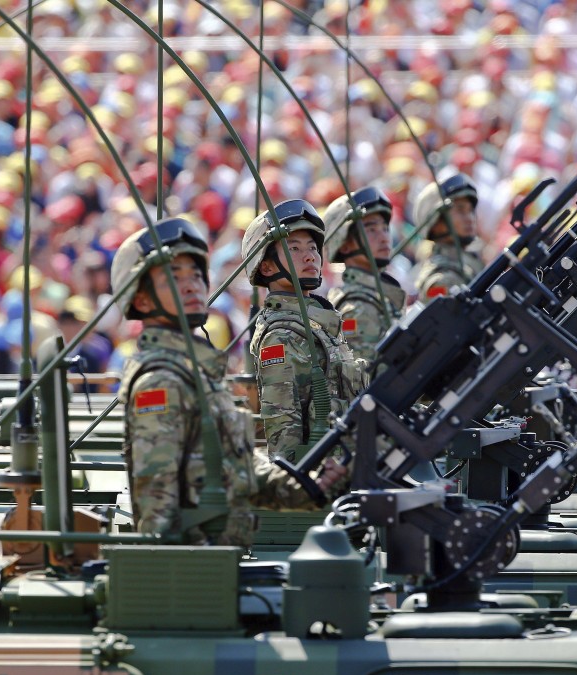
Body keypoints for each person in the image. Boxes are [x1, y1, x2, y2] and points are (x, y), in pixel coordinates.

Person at [112, 216, 341, 547]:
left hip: (222, 558)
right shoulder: (159, 382)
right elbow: (157, 510)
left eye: (195, 275)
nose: (192, 286)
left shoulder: (196, 372)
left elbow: (239, 468)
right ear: (142, 300)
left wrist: (307, 488)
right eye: (173, 279)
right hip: (197, 574)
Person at [242, 199, 366, 462]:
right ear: (267, 266)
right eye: (294, 248)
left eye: (313, 247)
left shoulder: (320, 322)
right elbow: (283, 436)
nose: (310, 256)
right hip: (323, 476)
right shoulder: (280, 334)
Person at [323, 186, 406, 362]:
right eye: (371, 230)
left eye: (385, 228)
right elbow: (366, 379)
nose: (384, 237)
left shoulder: (378, 293)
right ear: (344, 244)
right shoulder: (356, 307)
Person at [411, 173, 484, 304]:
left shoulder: (468, 263)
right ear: (436, 223)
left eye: (471, 210)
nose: (470, 218)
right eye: (460, 210)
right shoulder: (441, 281)